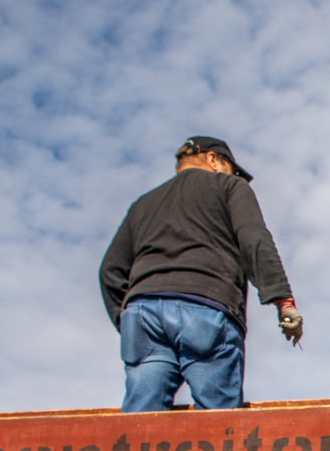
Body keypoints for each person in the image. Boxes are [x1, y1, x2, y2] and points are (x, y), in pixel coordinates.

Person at [100, 136, 305, 412]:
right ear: (212, 159)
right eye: (231, 168)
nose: (234, 175)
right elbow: (254, 239)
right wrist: (283, 301)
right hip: (206, 307)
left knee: (140, 426)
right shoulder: (230, 187)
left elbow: (110, 270)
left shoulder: (143, 204)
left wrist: (127, 323)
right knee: (218, 427)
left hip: (143, 313)